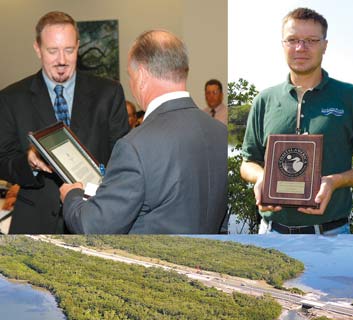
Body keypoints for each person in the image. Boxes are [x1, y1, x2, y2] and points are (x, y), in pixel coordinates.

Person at [60, 30, 227, 234]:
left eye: (130, 76)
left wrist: (72, 195)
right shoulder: (220, 132)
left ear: (141, 75)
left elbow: (93, 227)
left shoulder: (134, 147)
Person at [240, 7, 353, 235]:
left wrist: (334, 181)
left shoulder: (351, 97)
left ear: (325, 45)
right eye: (292, 40)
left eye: (311, 40)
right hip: (270, 234)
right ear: (283, 45)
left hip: (332, 235)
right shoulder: (264, 99)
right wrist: (262, 178)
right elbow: (247, 162)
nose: (301, 48)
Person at [0, 11, 129, 234]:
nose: (61, 60)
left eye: (69, 50)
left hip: (96, 220)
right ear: (37, 49)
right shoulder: (11, 98)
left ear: (78, 46)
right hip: (35, 224)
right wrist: (28, 161)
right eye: (53, 51)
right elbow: (3, 161)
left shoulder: (108, 93)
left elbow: (124, 158)